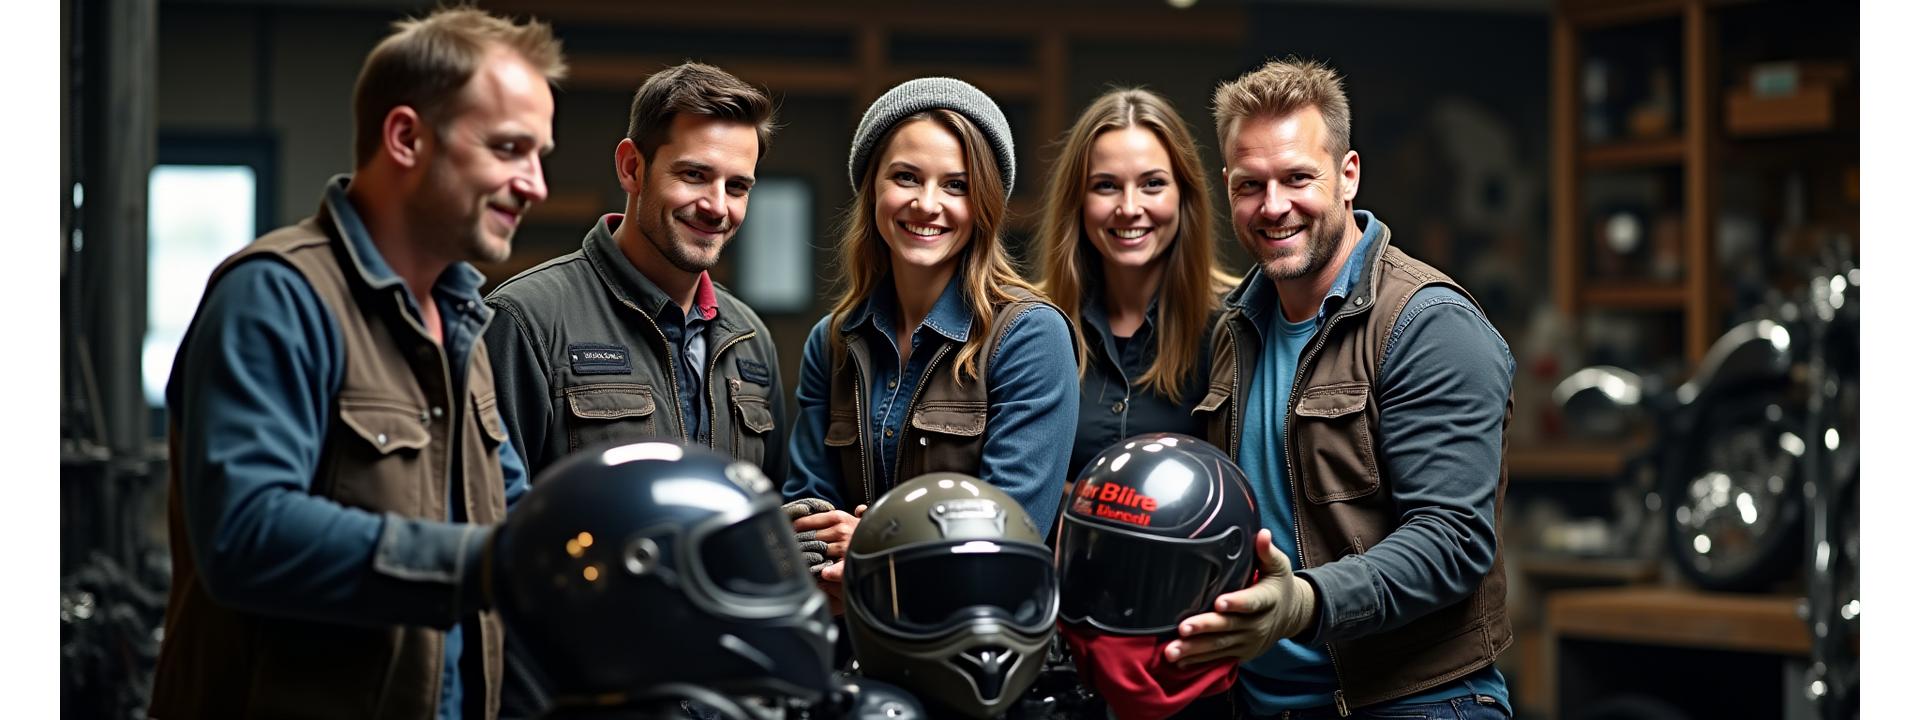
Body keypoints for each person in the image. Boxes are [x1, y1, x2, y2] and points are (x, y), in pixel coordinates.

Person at [148, 8, 564, 719]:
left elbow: (512, 516)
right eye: (507, 148)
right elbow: (246, 534)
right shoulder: (277, 296)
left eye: (539, 155)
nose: (535, 185)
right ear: (405, 137)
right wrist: (489, 566)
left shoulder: (462, 316)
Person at [1163, 58, 1517, 719]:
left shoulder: (1428, 325)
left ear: (1348, 174)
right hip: (1264, 705)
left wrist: (1303, 602)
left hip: (1414, 703)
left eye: (1298, 178)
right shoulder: (1236, 328)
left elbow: (1451, 539)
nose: (1273, 207)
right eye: (1250, 185)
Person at [480, 61, 788, 717]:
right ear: (632, 167)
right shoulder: (526, 320)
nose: (718, 206)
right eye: (694, 175)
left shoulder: (750, 341)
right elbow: (490, 547)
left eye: (739, 186)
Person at [782, 78, 1078, 605]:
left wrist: (875, 548)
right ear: (873, 186)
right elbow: (806, 517)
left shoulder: (1030, 336)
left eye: (956, 185)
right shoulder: (831, 343)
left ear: (984, 202)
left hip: (977, 657)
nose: (926, 203)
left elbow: (1010, 534)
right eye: (906, 177)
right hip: (847, 652)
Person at [1035, 87, 1237, 489]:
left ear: (1184, 196)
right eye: (1106, 186)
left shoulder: (1236, 322)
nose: (1129, 208)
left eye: (1152, 184)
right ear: (1077, 200)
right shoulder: (1028, 323)